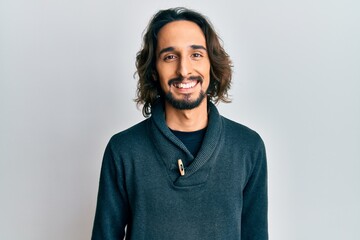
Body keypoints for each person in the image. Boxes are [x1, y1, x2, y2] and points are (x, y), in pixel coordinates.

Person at [92, 7, 268, 240]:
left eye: (196, 54)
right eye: (170, 57)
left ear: (211, 65)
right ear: (154, 70)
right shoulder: (123, 150)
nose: (184, 70)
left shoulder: (247, 147)